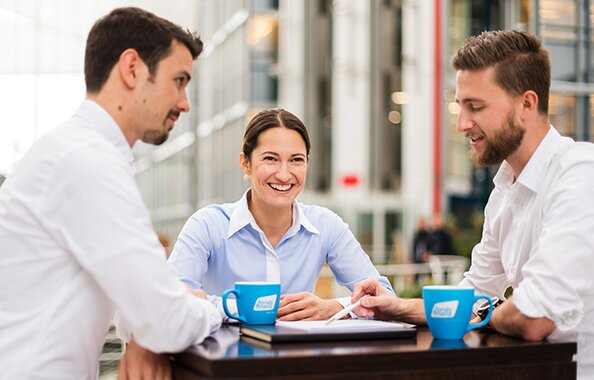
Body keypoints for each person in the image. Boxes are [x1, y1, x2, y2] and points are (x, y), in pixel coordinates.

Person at [351, 30, 594, 379]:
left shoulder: (581, 174)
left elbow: (533, 318)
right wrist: (397, 307)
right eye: (460, 105)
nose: (462, 123)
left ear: (526, 104)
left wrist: (484, 310)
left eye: (475, 107)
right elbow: (475, 293)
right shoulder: (504, 193)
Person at [0, 7, 222, 379]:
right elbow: (165, 318)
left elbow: (136, 296)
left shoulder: (73, 152)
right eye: (179, 80)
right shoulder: (87, 163)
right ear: (132, 68)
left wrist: (148, 331)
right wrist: (211, 307)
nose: (185, 103)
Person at [167, 108, 393, 321]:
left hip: (296, 359)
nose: (284, 175)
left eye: (296, 160)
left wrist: (332, 308)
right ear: (245, 164)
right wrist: (248, 308)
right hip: (224, 358)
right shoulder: (208, 224)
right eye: (270, 159)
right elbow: (172, 297)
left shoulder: (326, 225)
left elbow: (384, 297)